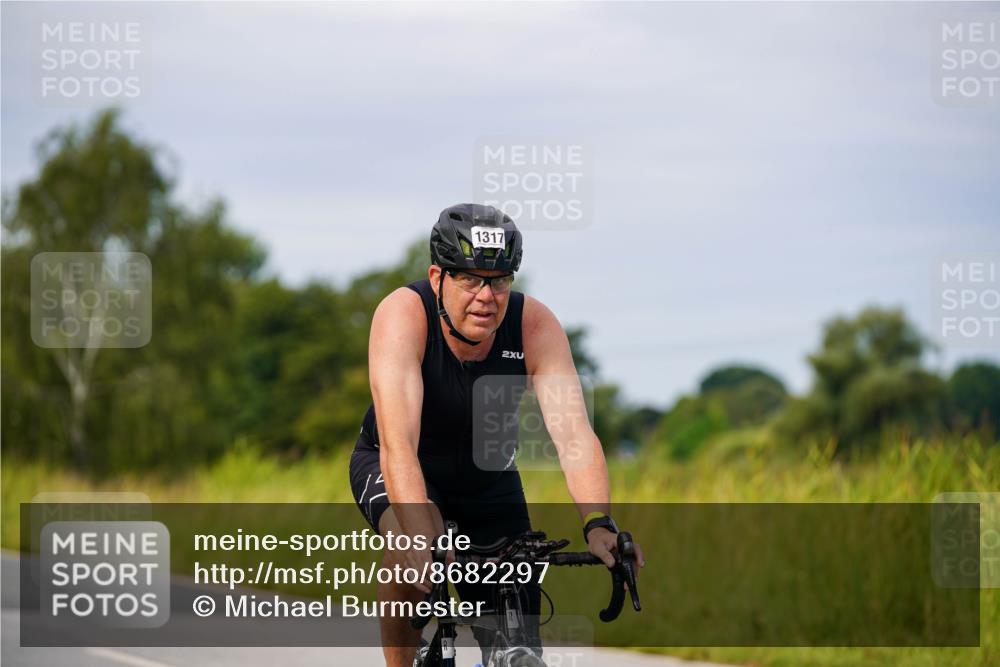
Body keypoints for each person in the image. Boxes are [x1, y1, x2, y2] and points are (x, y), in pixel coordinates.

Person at [350, 203, 644, 667]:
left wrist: (597, 522)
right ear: (437, 277)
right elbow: (398, 445)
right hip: (401, 465)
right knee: (408, 543)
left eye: (500, 280)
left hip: (487, 475)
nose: (486, 296)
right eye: (470, 279)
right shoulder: (404, 315)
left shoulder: (533, 324)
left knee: (517, 632)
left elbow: (573, 434)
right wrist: (421, 539)